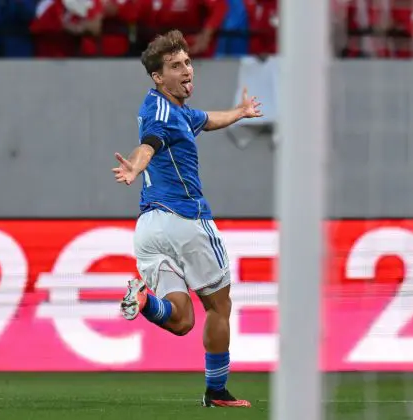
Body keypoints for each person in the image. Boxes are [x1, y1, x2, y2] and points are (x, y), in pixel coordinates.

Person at [112, 29, 262, 408]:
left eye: (188, 63)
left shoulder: (174, 110)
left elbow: (207, 119)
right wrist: (135, 166)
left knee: (181, 321)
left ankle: (143, 301)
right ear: (158, 77)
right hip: (186, 220)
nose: (187, 70)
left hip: (148, 229)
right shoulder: (160, 116)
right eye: (175, 66)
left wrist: (241, 113)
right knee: (219, 307)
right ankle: (217, 392)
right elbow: (149, 144)